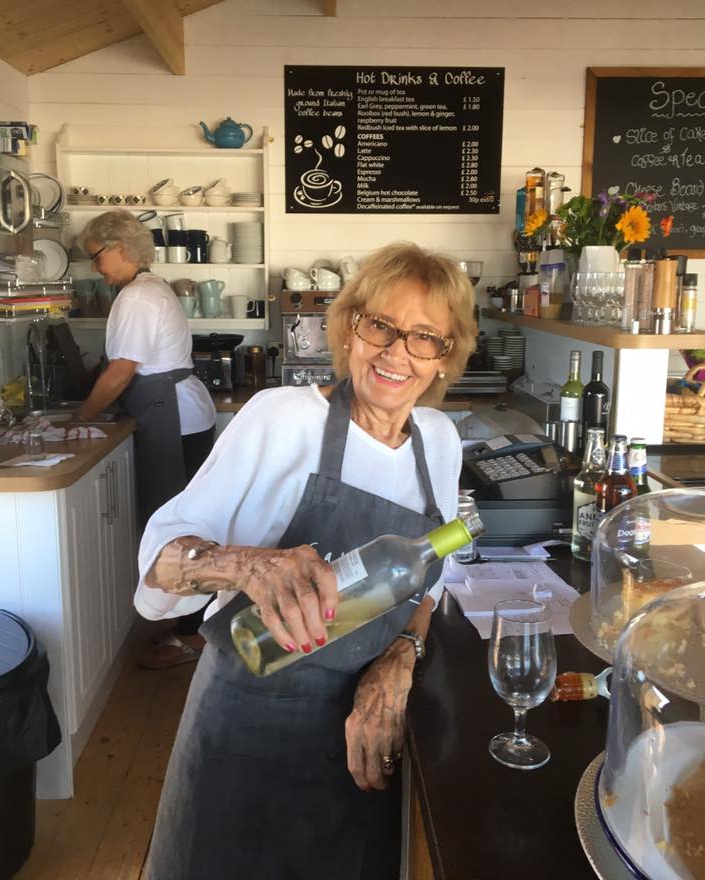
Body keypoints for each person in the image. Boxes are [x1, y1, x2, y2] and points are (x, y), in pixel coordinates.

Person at [136, 242, 476, 880]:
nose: (396, 351)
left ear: (444, 357)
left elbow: (431, 582)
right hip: (248, 729)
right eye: (381, 325)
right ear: (349, 329)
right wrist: (244, 565)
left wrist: (402, 655)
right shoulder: (282, 419)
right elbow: (159, 565)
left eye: (425, 337)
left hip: (366, 738)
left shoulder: (441, 441)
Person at [79, 210, 217, 667]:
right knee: (182, 524)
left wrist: (81, 417)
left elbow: (121, 372)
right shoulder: (149, 288)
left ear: (121, 249)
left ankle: (189, 637)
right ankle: (186, 627)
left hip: (171, 417)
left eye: (97, 257)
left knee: (179, 530)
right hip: (176, 414)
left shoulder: (137, 296)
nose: (95, 267)